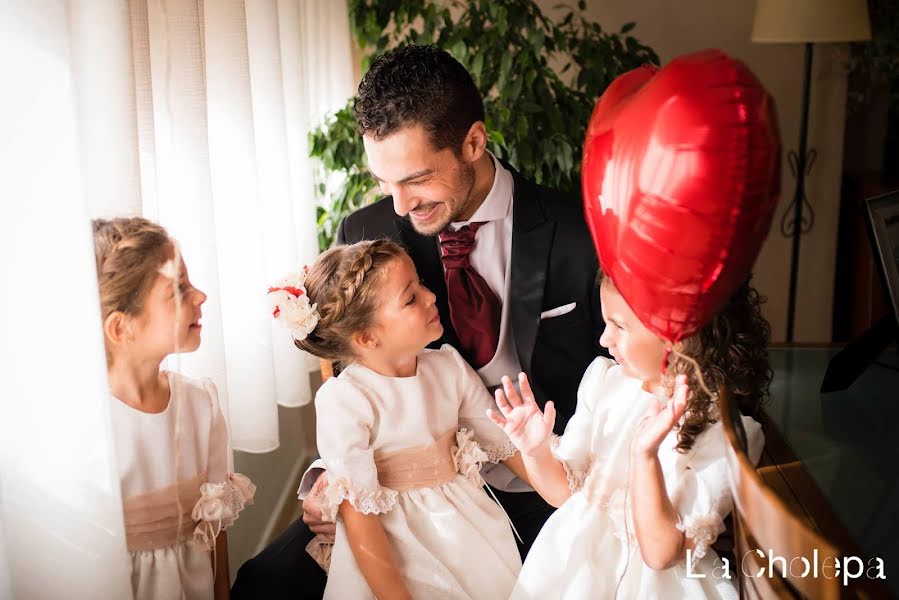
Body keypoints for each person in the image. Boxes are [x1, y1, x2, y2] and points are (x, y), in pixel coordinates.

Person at [231, 44, 605, 599]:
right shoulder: (366, 232)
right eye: (385, 182)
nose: (401, 206)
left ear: (473, 142)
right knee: (265, 585)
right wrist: (326, 479)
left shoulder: (579, 232)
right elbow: (353, 381)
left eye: (416, 179)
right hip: (397, 490)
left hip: (538, 486)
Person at [267, 239, 525, 599]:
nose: (431, 296)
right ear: (367, 337)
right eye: (411, 298)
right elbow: (360, 516)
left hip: (467, 530)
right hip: (394, 544)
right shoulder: (346, 398)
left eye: (420, 285)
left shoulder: (448, 367)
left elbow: (506, 443)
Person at [490, 272, 771, 599]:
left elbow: (660, 554)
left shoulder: (725, 432)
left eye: (619, 326)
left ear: (676, 336)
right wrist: (536, 450)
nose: (604, 339)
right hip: (575, 573)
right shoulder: (604, 382)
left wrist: (645, 456)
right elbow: (565, 495)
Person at [93, 217, 255, 600]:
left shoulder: (200, 404)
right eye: (178, 289)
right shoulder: (93, 433)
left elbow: (214, 527)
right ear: (122, 328)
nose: (200, 296)